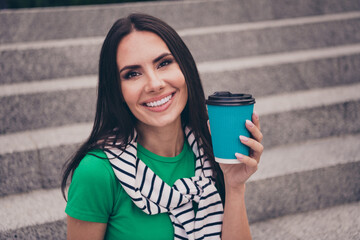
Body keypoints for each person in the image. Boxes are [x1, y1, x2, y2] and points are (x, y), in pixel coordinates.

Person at [61, 13, 263, 240]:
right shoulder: (97, 173)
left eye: (164, 63)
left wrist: (234, 186)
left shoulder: (210, 149)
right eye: (133, 74)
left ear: (185, 68)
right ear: (117, 90)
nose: (155, 84)